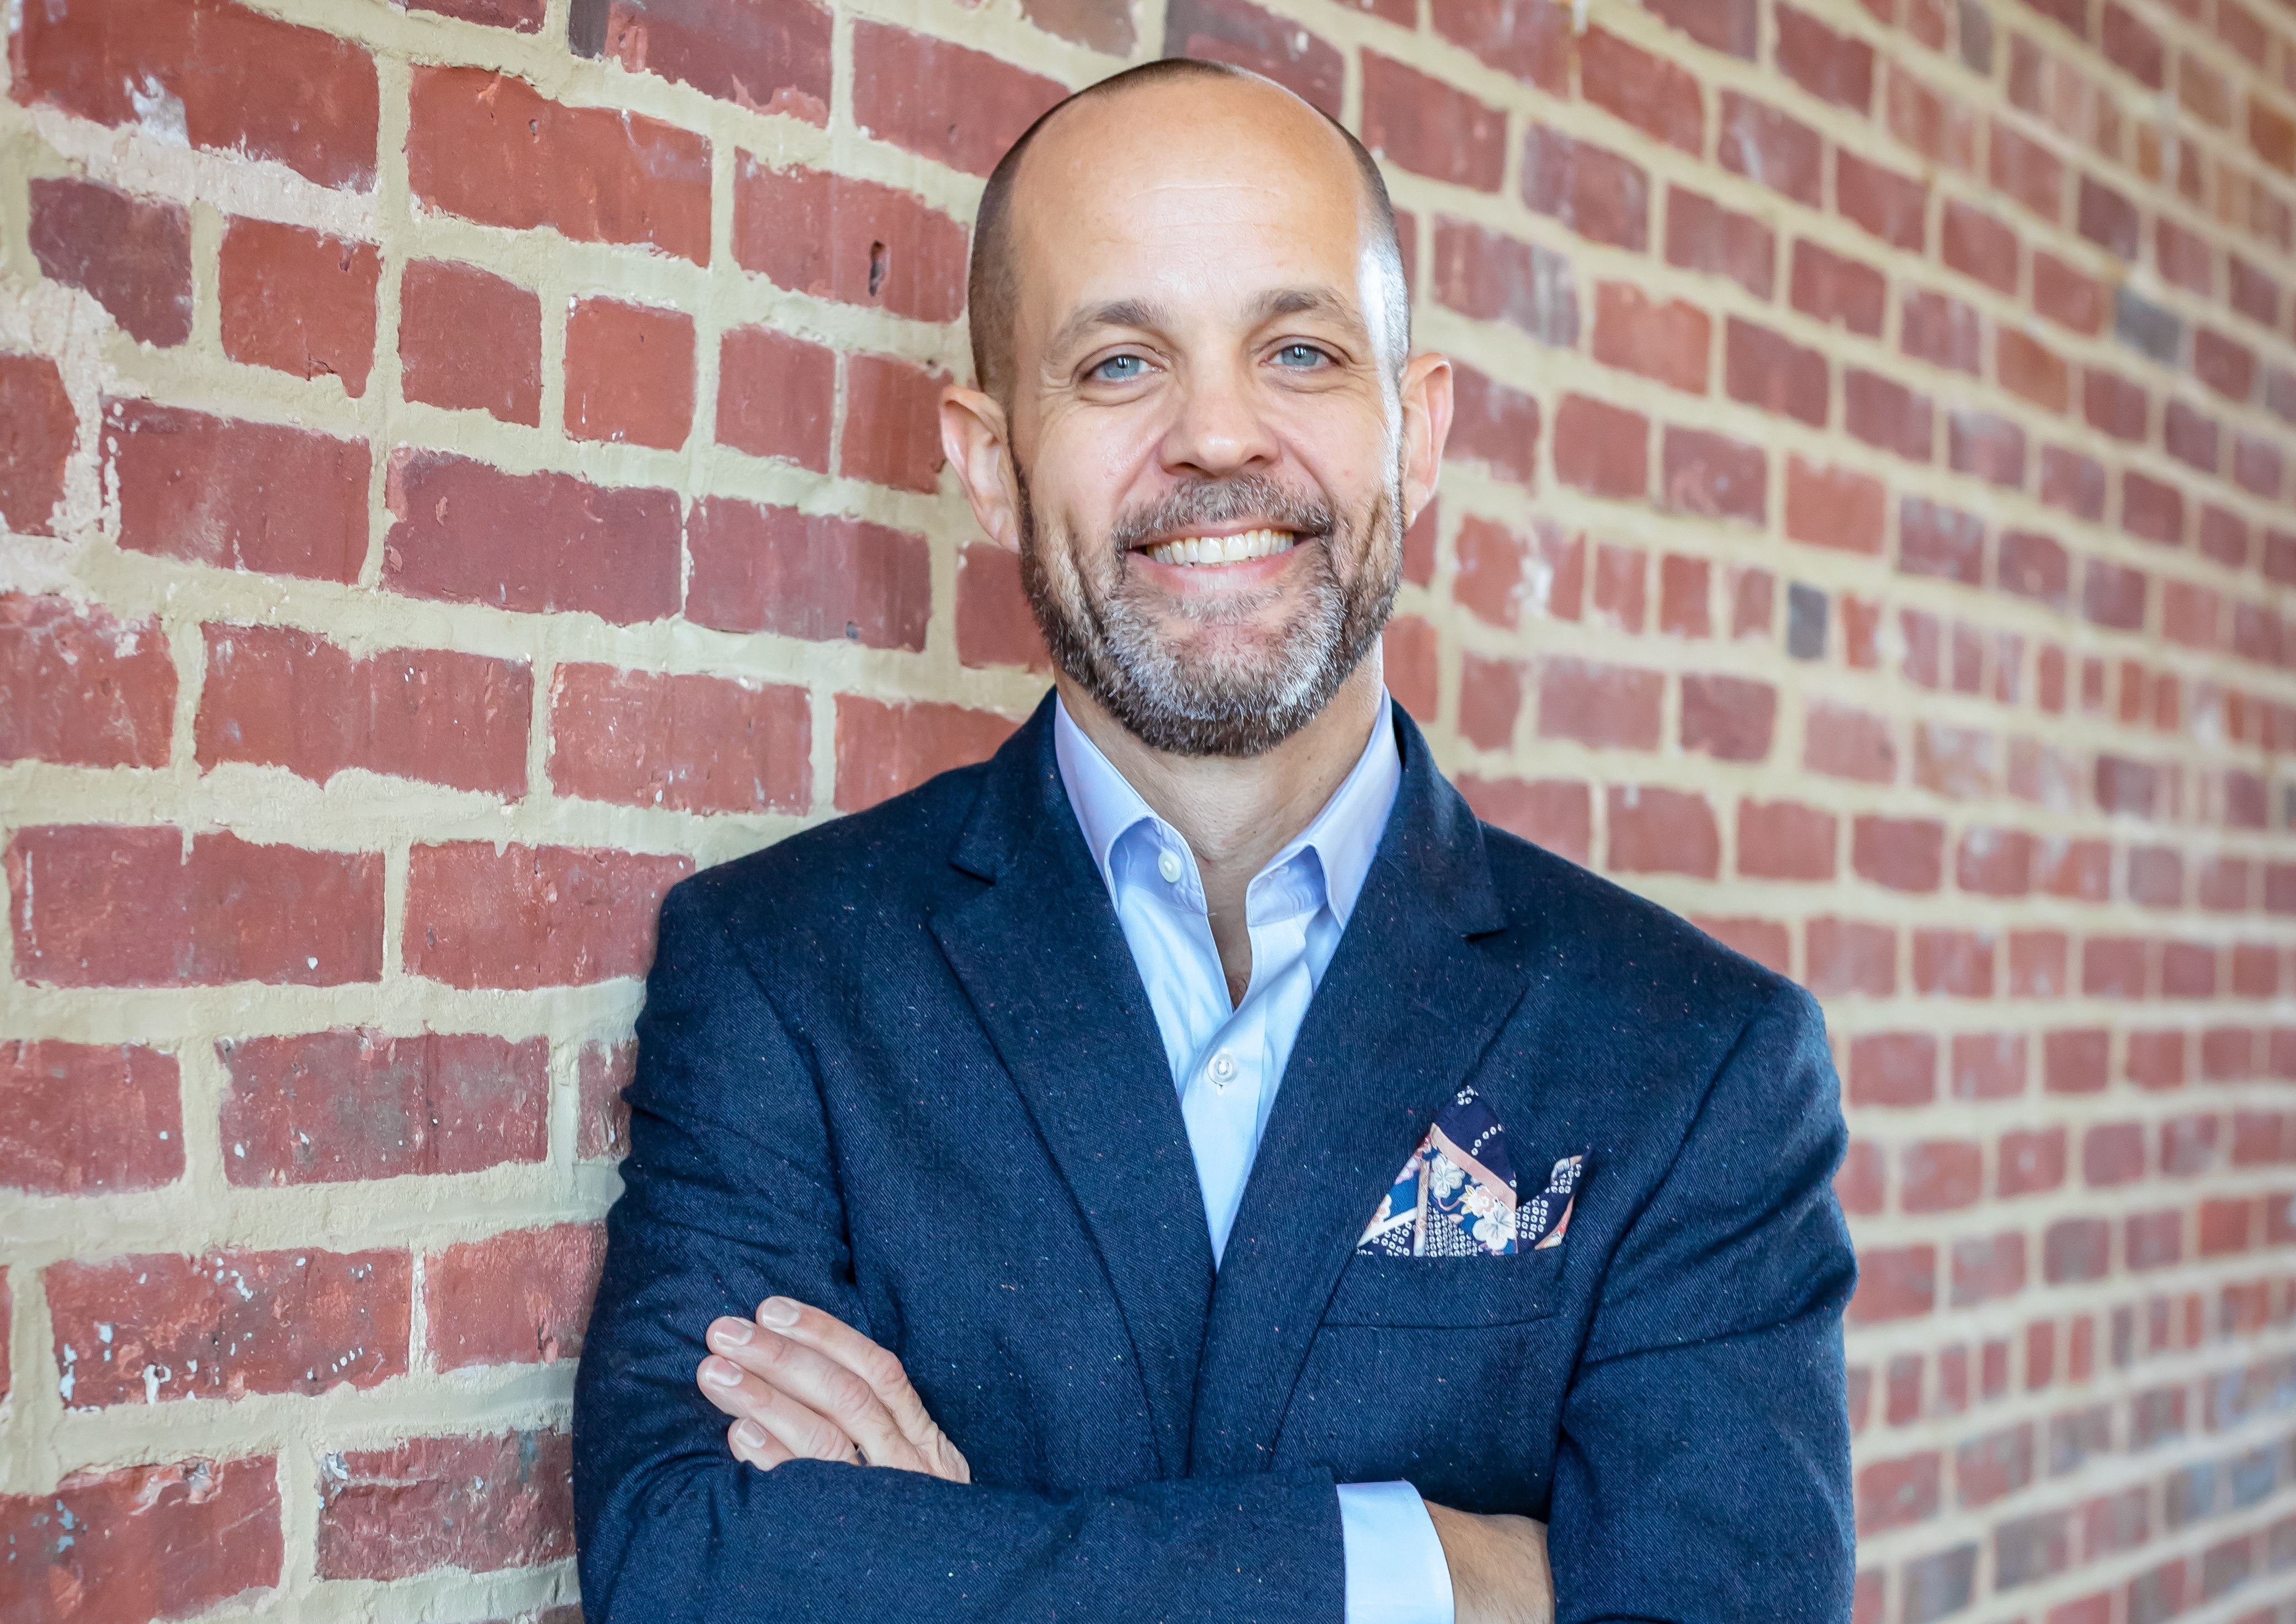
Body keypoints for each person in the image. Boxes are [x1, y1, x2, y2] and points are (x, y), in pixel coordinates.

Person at [572, 58, 1856, 1624]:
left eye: (1299, 350)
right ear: (989, 462)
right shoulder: (782, 976)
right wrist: (1427, 1572)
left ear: (1417, 431)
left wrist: (946, 1563)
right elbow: (688, 1567)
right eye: (1120, 364)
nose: (1220, 437)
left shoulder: (1697, 1060)